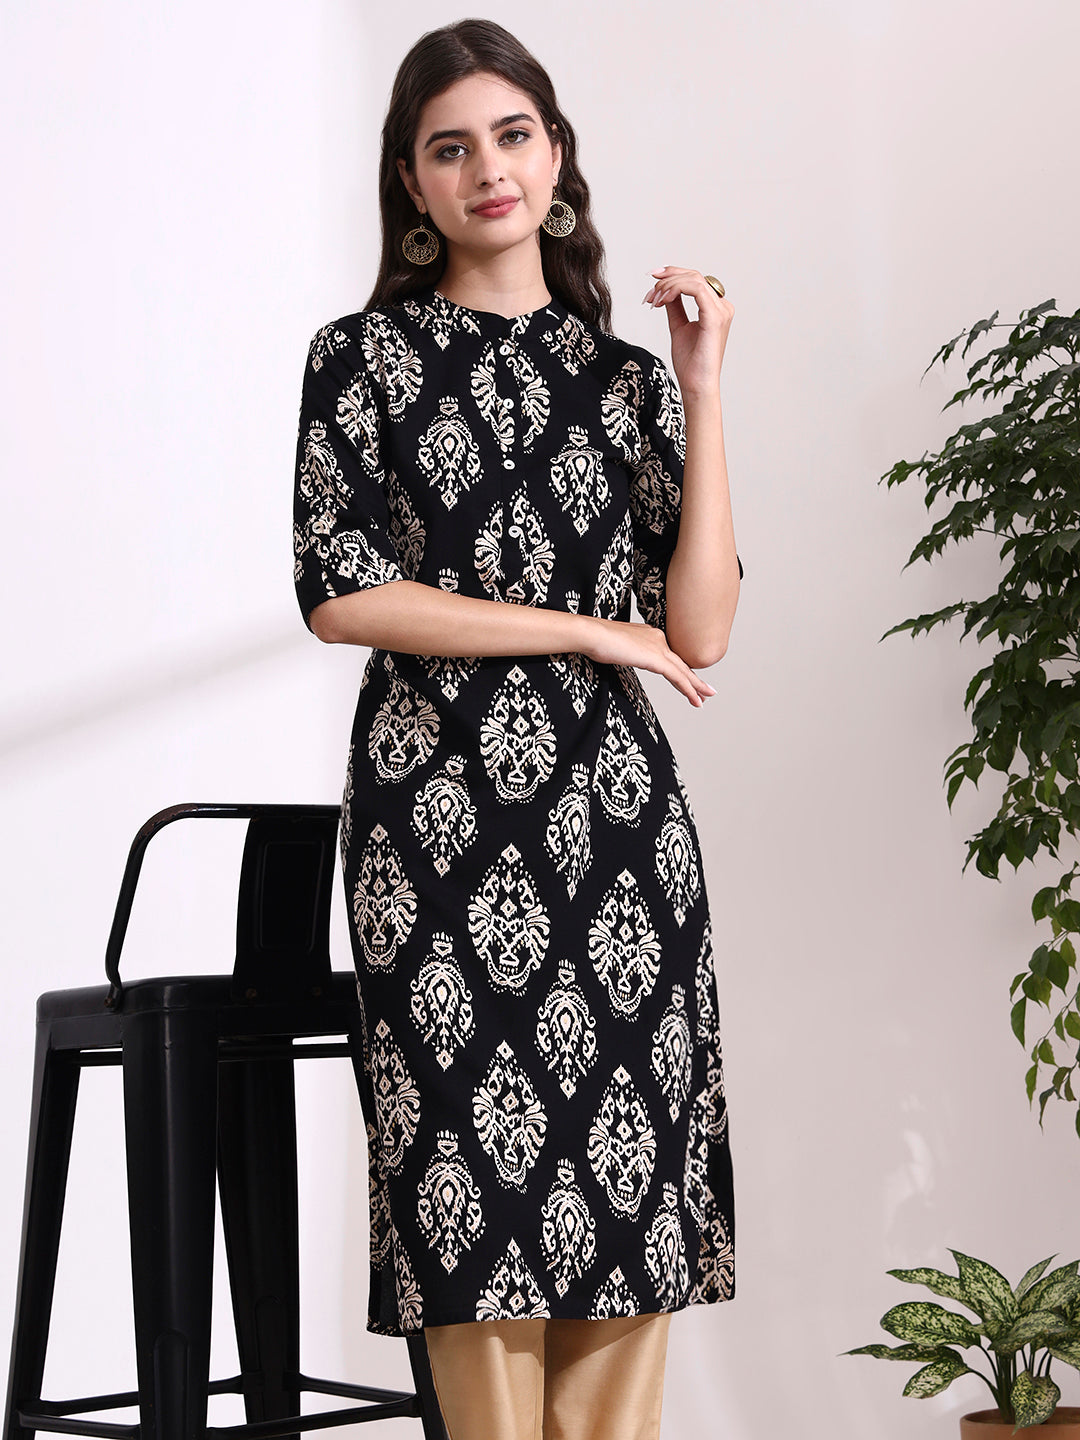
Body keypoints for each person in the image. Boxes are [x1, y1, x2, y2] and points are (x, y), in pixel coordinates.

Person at [292, 18, 740, 1440]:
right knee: (467, 1207)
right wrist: (585, 630)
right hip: (437, 829)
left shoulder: (628, 385)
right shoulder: (360, 358)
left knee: (626, 1211)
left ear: (556, 157)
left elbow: (702, 629)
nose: (487, 167)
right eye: (450, 148)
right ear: (412, 186)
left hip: (617, 836)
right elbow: (343, 593)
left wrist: (701, 390)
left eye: (511, 135)